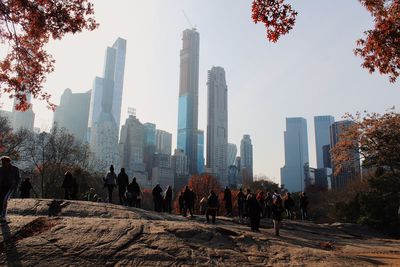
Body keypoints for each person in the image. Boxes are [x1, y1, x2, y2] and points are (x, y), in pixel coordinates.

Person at [0, 156, 20, 222]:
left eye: (4, 162)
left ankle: (3, 216)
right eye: (2, 162)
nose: (2, 164)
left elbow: (18, 179)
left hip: (11, 187)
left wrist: (16, 186)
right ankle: (1, 215)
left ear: (8, 162)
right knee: (1, 200)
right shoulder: (1, 169)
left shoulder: (15, 169)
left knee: (5, 199)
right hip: (2, 187)